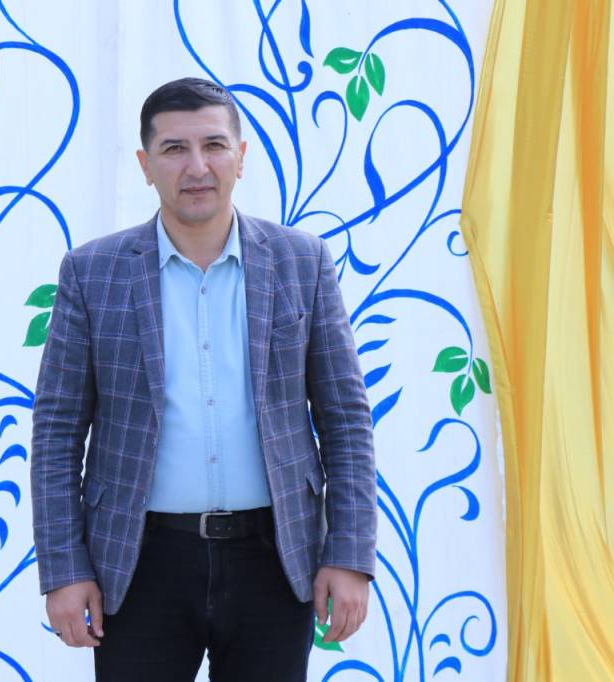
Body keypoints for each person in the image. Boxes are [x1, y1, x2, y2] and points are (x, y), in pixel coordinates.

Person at [30, 77, 377, 682]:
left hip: (277, 558)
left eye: (214, 145)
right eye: (174, 149)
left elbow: (345, 420)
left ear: (240, 157)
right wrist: (64, 568)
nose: (197, 167)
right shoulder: (92, 272)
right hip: (138, 563)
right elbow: (57, 431)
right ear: (145, 165)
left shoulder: (303, 262)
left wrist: (348, 555)